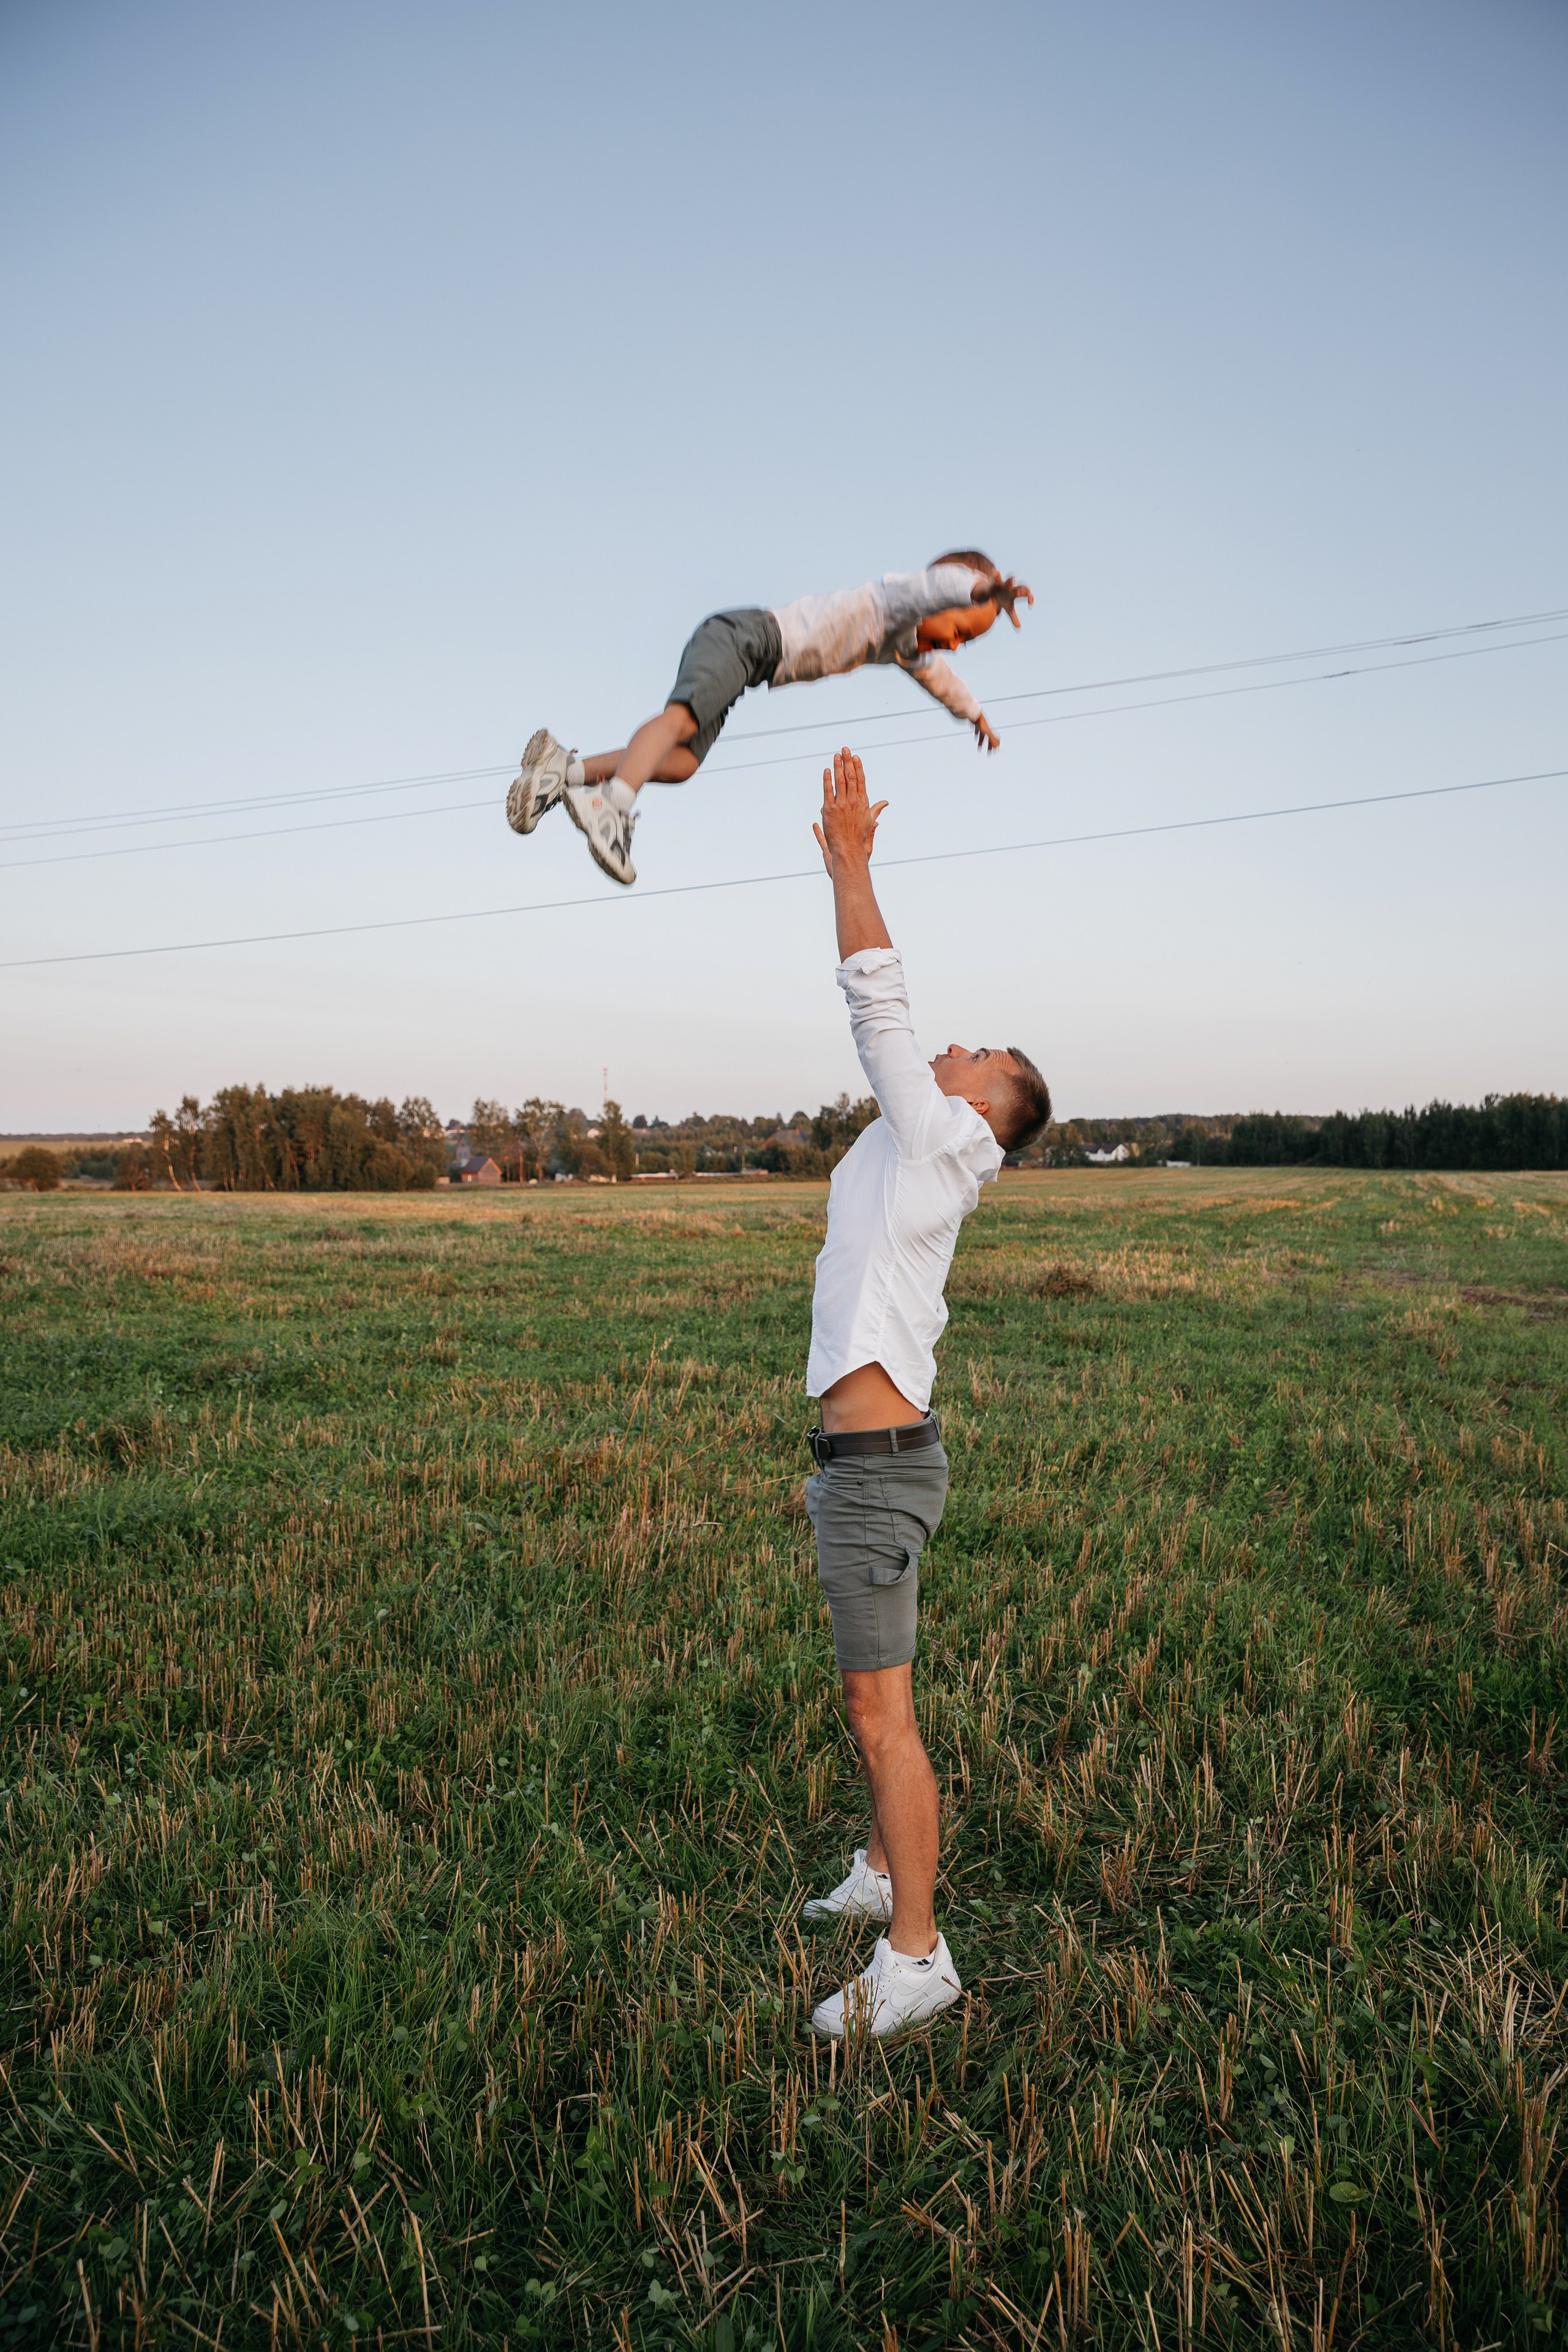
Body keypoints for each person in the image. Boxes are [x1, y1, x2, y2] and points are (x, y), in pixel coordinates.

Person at [800, 749, 1052, 2040]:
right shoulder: (916, 1142)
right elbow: (893, 1048)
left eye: (981, 1052)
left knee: (879, 1710)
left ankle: (917, 1957)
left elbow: (881, 1016)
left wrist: (849, 864)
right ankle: (886, 1869)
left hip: (882, 1464)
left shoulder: (946, 1138)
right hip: (863, 1461)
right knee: (870, 1695)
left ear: (989, 1109)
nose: (959, 1044)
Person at [505, 551, 1033, 886]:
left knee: (685, 760)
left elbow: (942, 681)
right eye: (963, 630)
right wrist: (982, 591)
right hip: (746, 636)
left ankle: (564, 772)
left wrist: (975, 716)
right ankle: (612, 803)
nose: (957, 645)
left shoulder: (907, 650)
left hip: (753, 662)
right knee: (682, 722)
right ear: (951, 597)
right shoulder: (898, 599)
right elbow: (932, 588)